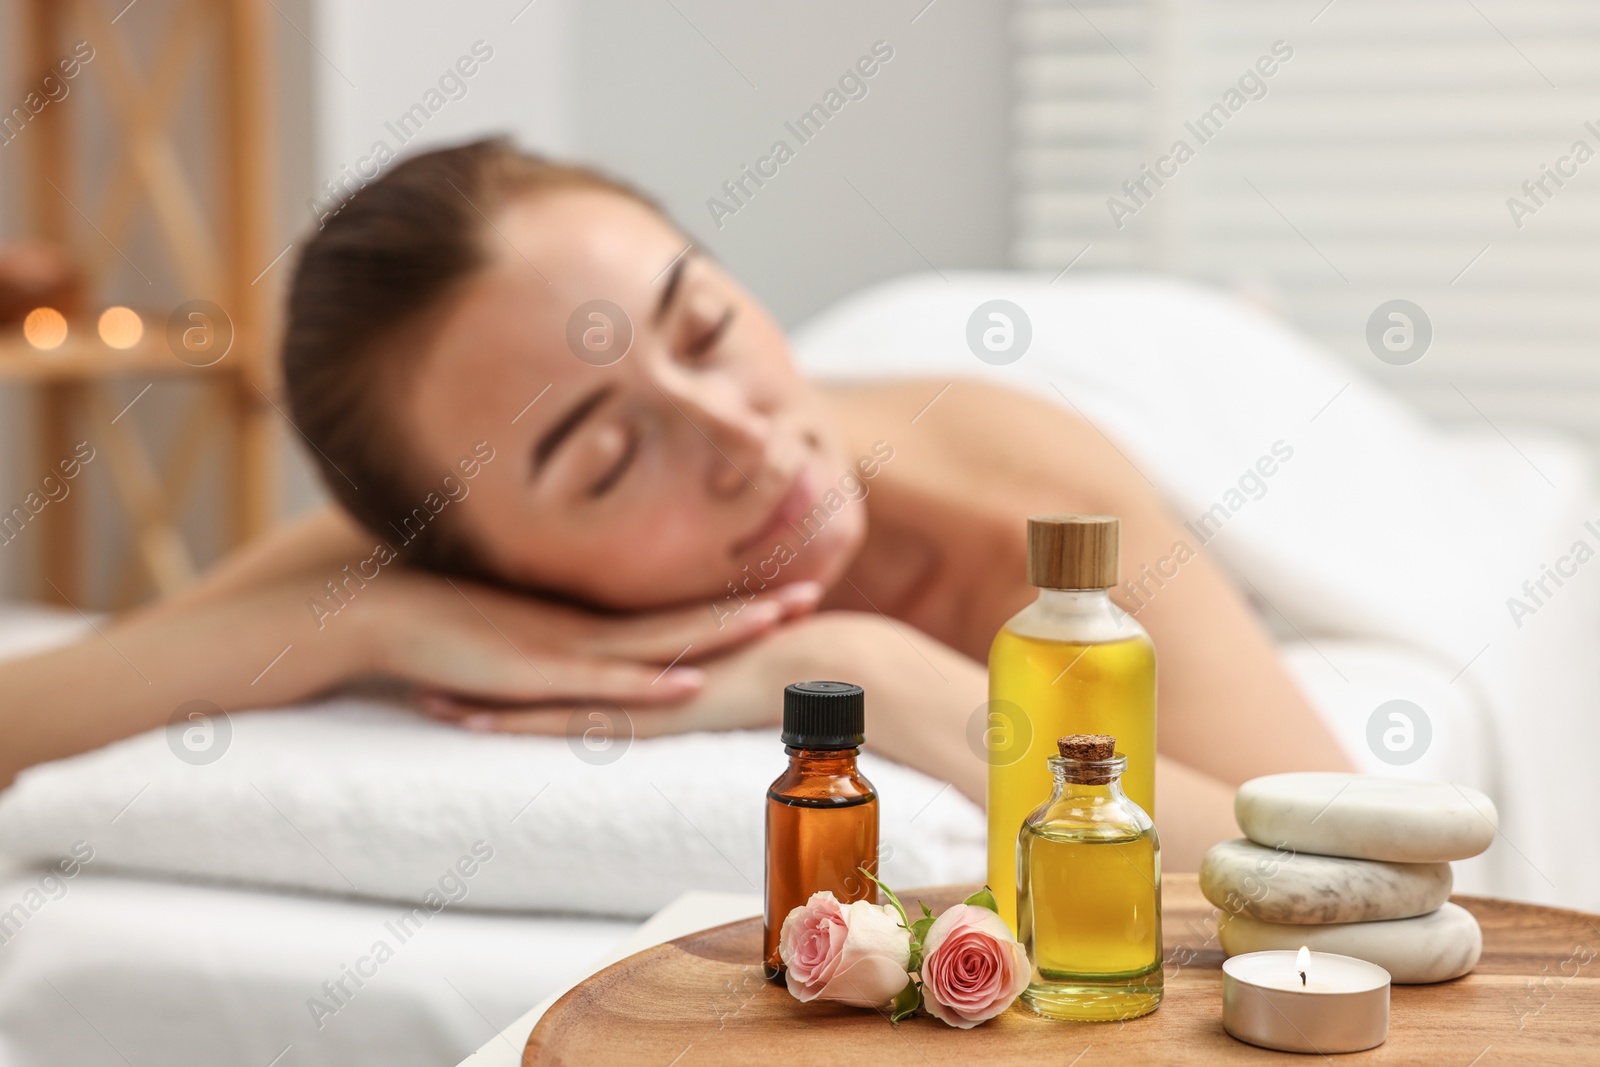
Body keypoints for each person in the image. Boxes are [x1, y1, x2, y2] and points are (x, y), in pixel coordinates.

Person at [0, 139, 1352, 868]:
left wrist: (854, 670)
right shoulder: (429, 533)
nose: (737, 435)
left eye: (704, 325)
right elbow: (37, 709)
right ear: (489, 558)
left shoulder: (1027, 503)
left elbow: (1346, 857)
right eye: (602, 459)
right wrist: (376, 627)